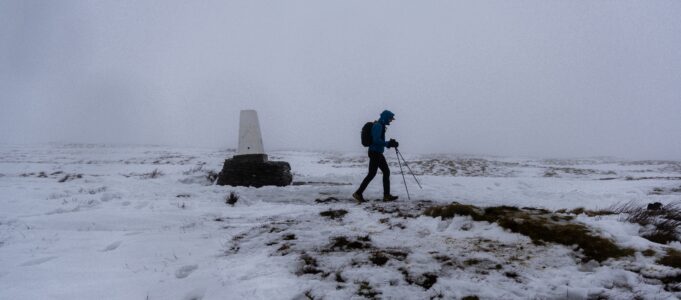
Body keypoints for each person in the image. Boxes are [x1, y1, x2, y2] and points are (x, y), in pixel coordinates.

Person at [353, 110, 400, 203]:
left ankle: (386, 196)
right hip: (375, 152)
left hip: (377, 152)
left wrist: (389, 143)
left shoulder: (381, 125)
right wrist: (388, 143)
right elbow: (376, 140)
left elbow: (378, 140)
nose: (391, 121)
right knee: (372, 174)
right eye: (390, 119)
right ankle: (358, 193)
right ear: (386, 117)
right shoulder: (378, 126)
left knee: (385, 172)